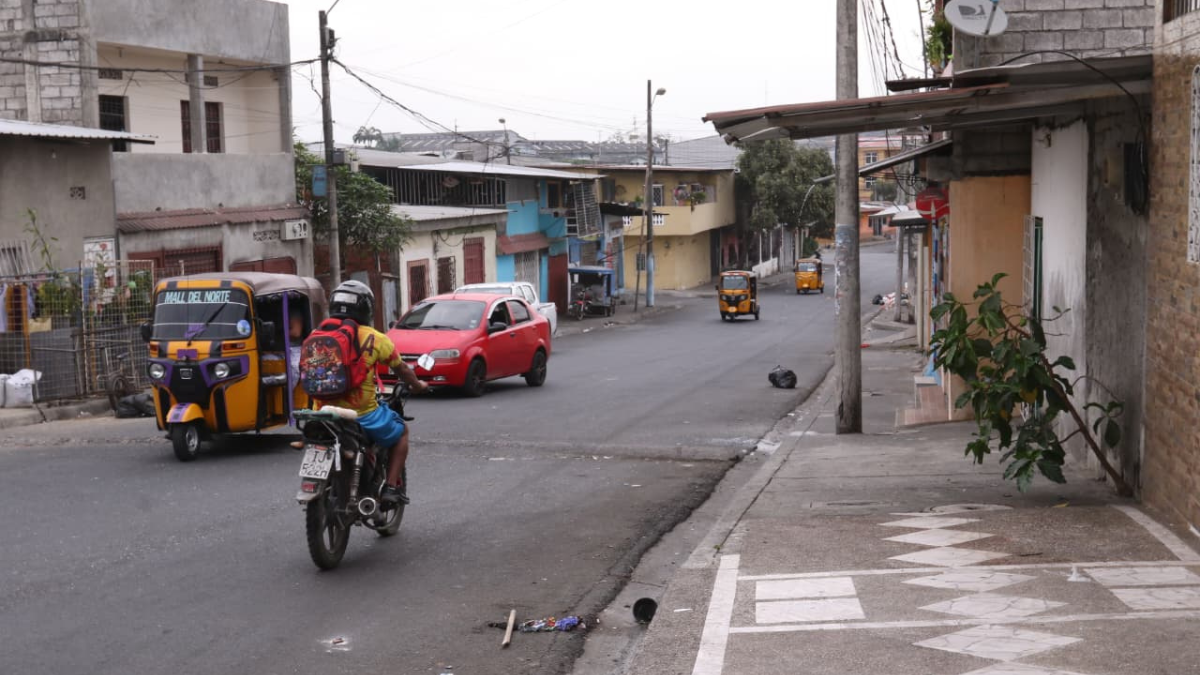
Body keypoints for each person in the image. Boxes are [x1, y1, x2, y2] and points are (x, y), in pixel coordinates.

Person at [319, 280, 427, 505]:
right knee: (402, 432)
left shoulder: (319, 334)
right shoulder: (376, 338)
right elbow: (403, 370)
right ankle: (389, 488)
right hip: (362, 415)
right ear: (366, 309)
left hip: (323, 414)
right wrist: (418, 386)